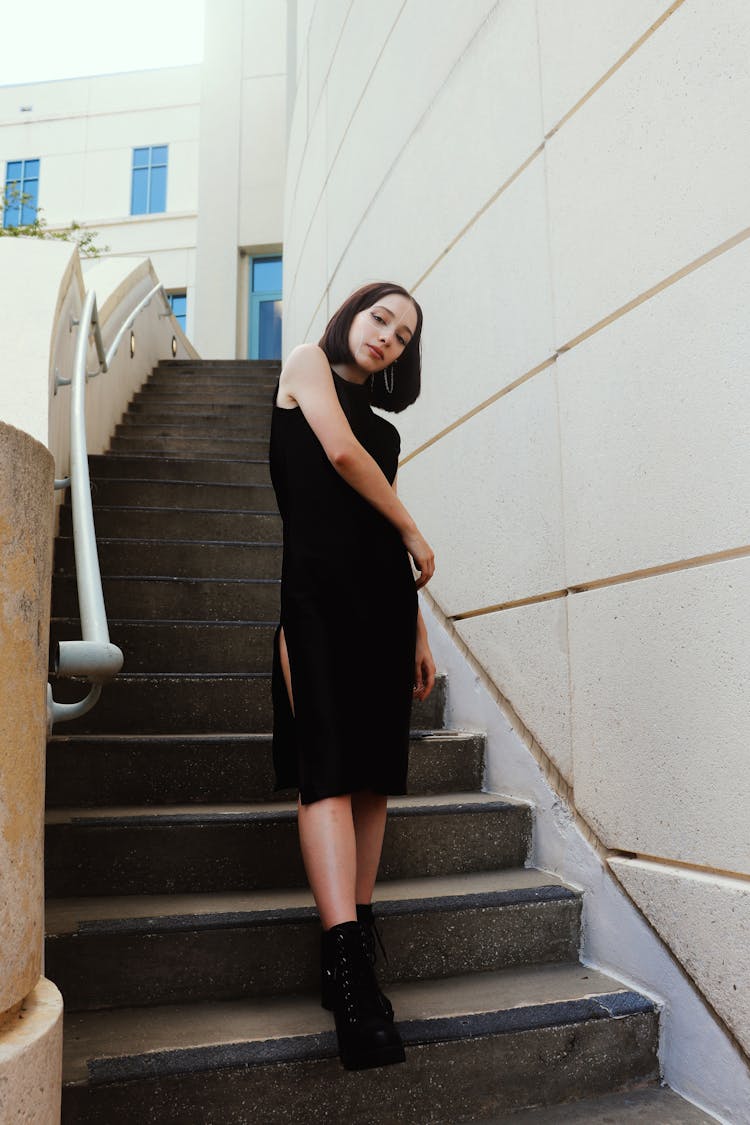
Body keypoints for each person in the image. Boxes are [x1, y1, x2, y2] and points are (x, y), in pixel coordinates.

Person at [268, 281, 436, 1071]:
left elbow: (380, 511)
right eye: (380, 318)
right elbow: (338, 454)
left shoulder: (390, 433)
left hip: (383, 606)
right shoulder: (305, 366)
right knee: (326, 773)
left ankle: (357, 955)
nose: (386, 339)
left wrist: (419, 629)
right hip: (316, 601)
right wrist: (418, 530)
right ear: (351, 313)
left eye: (402, 336)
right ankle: (343, 967)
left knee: (373, 781)